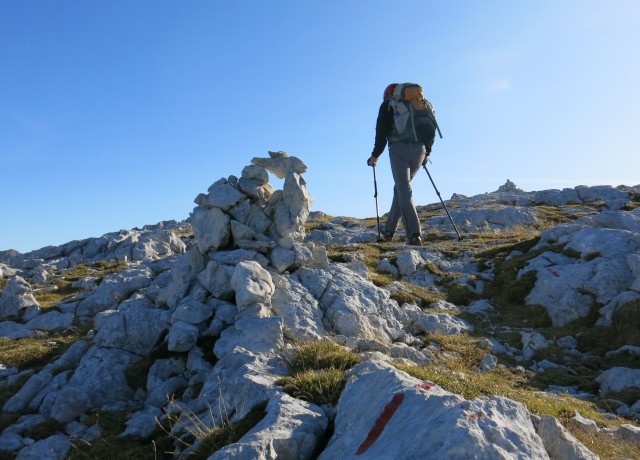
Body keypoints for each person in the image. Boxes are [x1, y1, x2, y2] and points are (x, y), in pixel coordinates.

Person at [367, 83, 437, 246]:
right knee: (399, 189)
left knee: (404, 190)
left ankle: (414, 235)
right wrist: (427, 152)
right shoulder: (419, 104)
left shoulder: (388, 106)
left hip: (399, 150)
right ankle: (389, 232)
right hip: (419, 151)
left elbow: (381, 132)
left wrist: (375, 155)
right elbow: (430, 128)